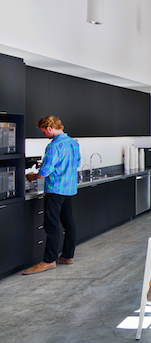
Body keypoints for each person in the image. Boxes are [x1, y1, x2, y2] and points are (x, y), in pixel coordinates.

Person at [23, 116, 81, 274]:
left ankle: (48, 260)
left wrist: (32, 176)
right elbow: (76, 164)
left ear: (49, 128)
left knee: (51, 225)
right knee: (68, 223)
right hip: (68, 190)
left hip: (55, 190)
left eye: (43, 132)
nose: (44, 135)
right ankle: (68, 256)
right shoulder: (73, 143)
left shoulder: (54, 146)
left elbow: (44, 172)